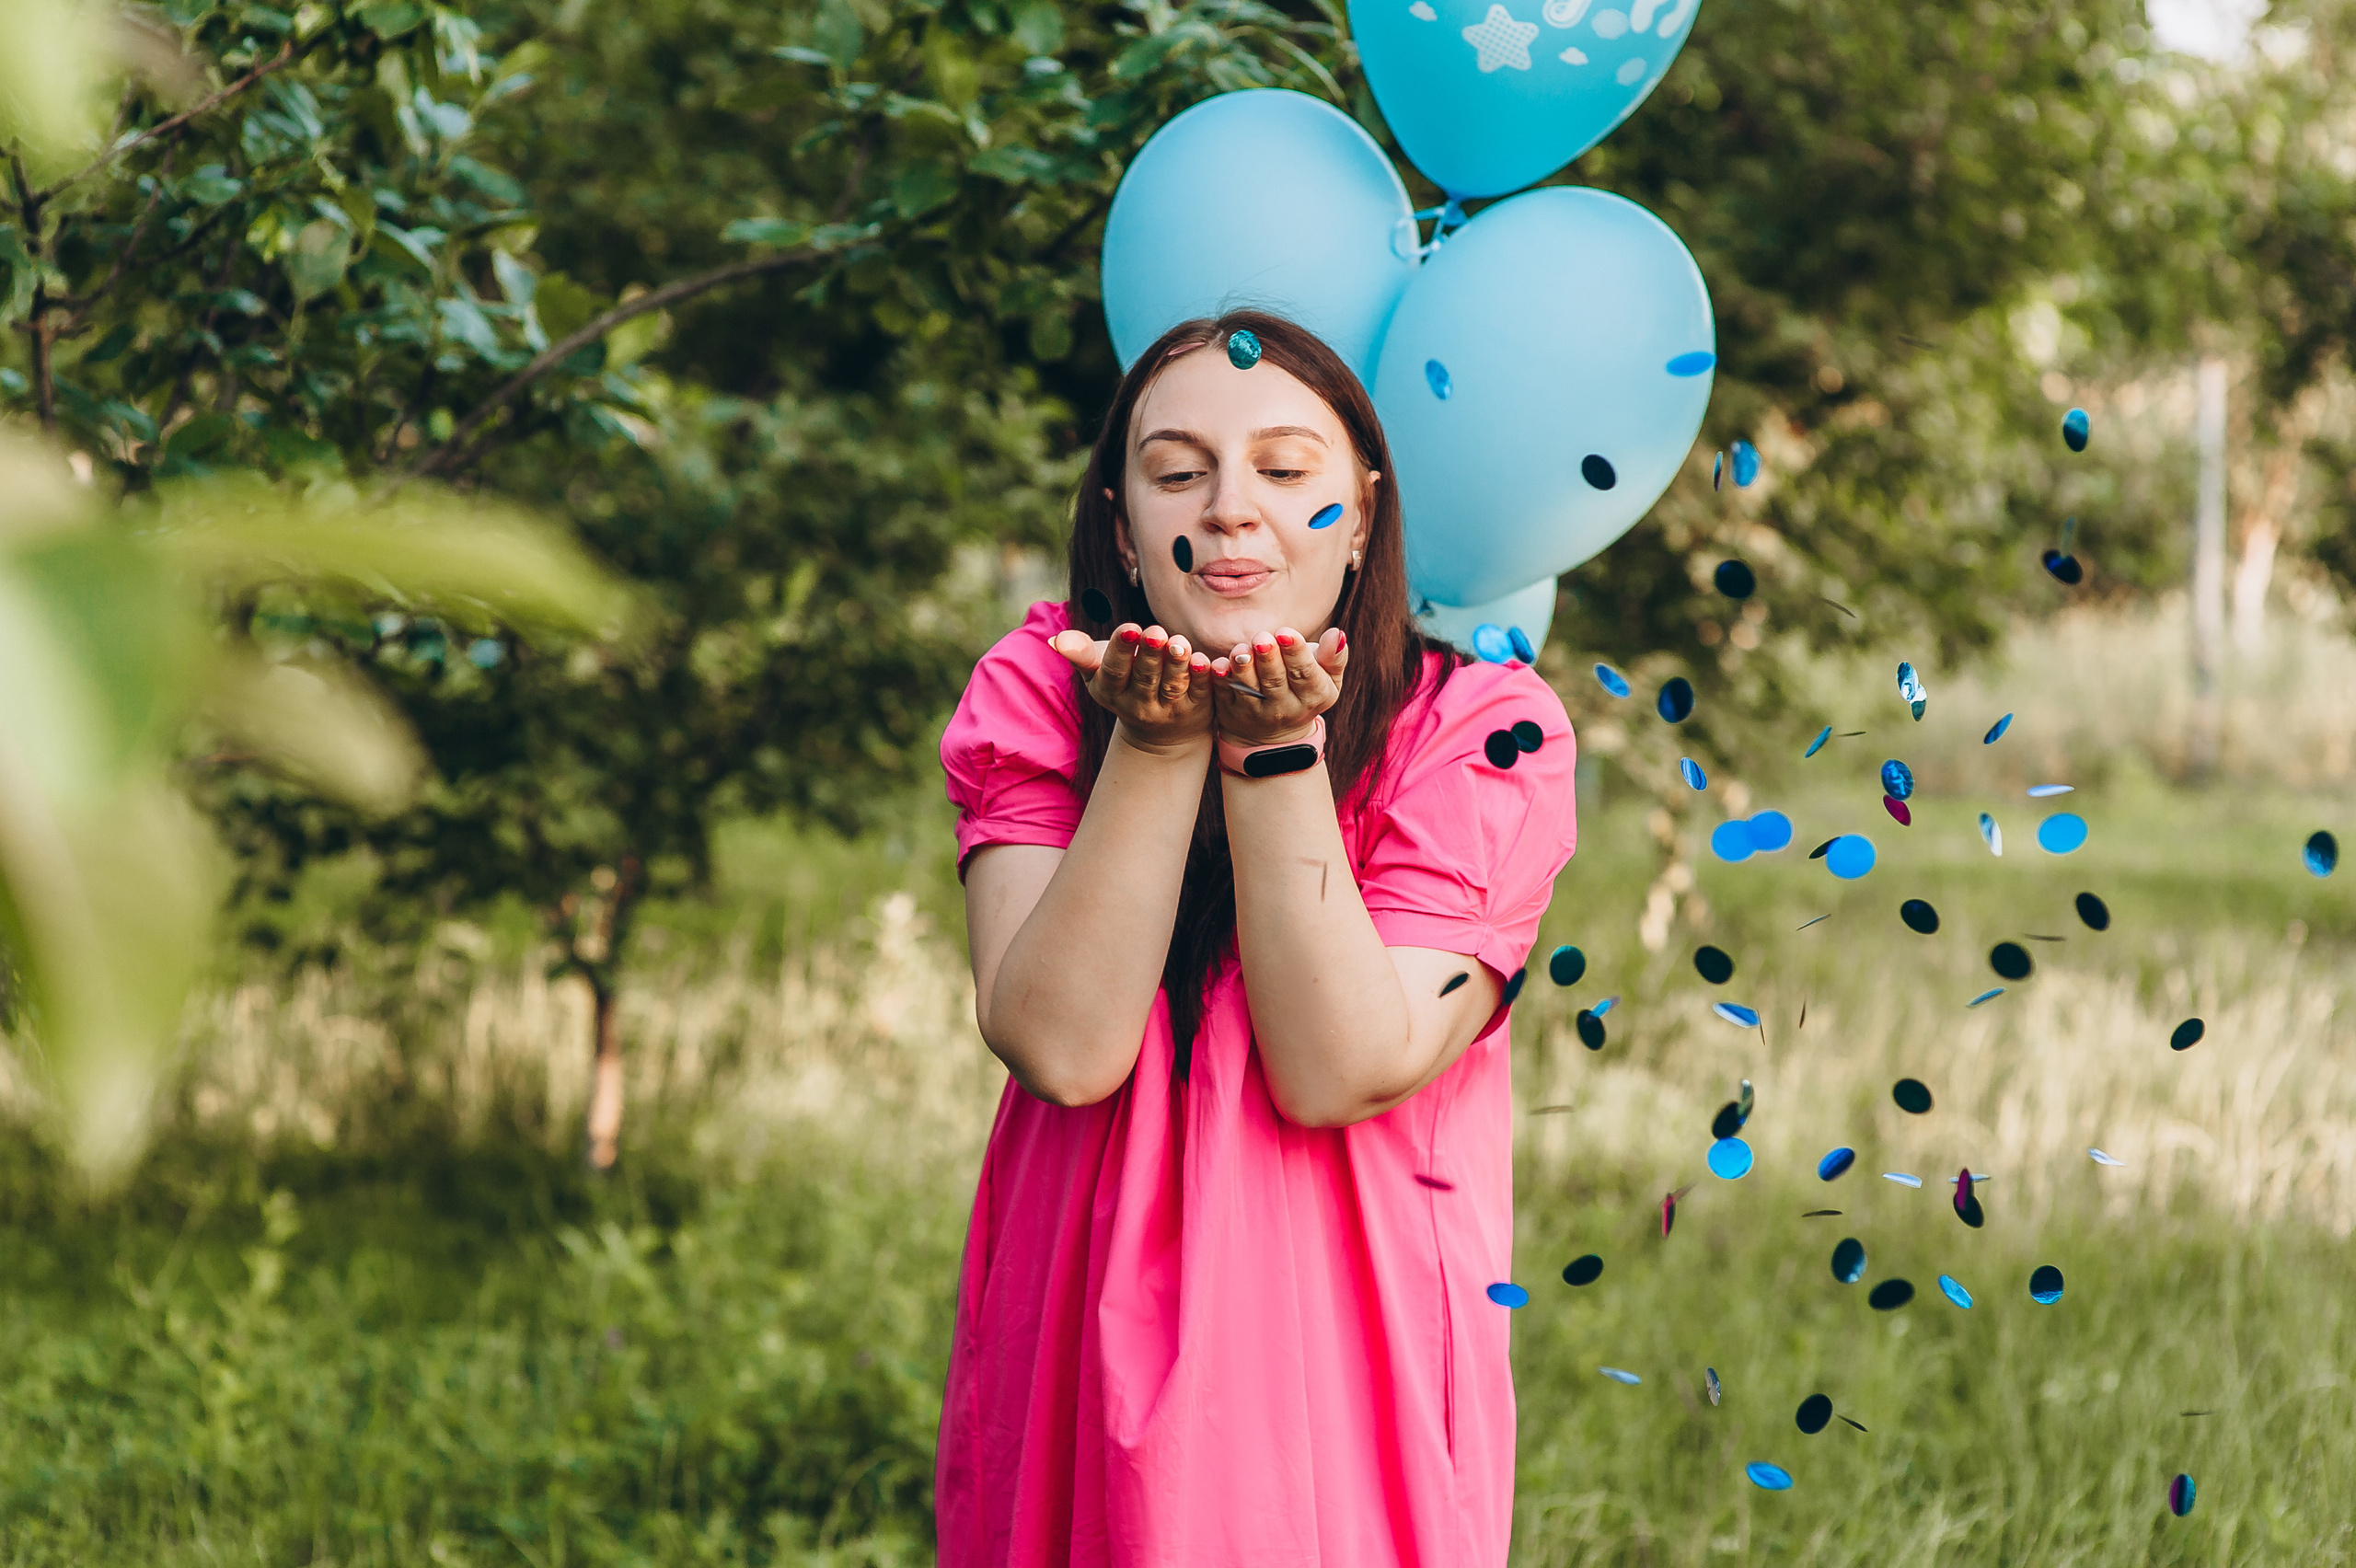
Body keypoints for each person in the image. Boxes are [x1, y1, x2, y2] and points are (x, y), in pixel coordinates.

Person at [936, 309, 1579, 1567]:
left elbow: (1337, 1066)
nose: (1233, 508)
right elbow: (1061, 1049)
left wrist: (1272, 751)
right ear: (1123, 527)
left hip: (1350, 1349)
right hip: (1075, 1330)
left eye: (1288, 471)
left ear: (1365, 516)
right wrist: (1160, 743)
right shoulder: (1036, 687)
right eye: (1179, 471)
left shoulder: (1486, 726)